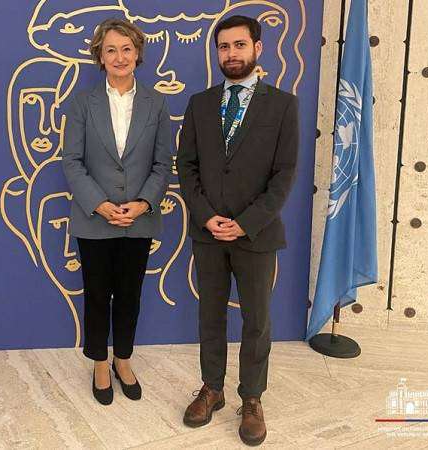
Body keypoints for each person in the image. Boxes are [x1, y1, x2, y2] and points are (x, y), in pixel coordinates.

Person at [176, 15, 299, 446]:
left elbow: (284, 175)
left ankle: (252, 398)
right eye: (224, 47)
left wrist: (245, 222)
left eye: (239, 45)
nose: (231, 53)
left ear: (257, 48)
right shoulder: (200, 103)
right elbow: (186, 167)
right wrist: (206, 215)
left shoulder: (282, 105)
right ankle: (212, 388)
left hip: (256, 234)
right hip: (208, 232)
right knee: (209, 315)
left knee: (256, 320)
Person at [62, 18, 171, 405]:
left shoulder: (157, 103)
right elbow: (72, 161)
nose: (119, 57)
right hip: (95, 219)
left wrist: (142, 204)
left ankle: (123, 359)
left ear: (138, 53)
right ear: (100, 56)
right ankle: (99, 363)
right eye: (111, 50)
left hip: (138, 220)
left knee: (129, 295)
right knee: (96, 294)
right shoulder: (81, 103)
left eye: (126, 49)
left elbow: (163, 164)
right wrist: (101, 204)